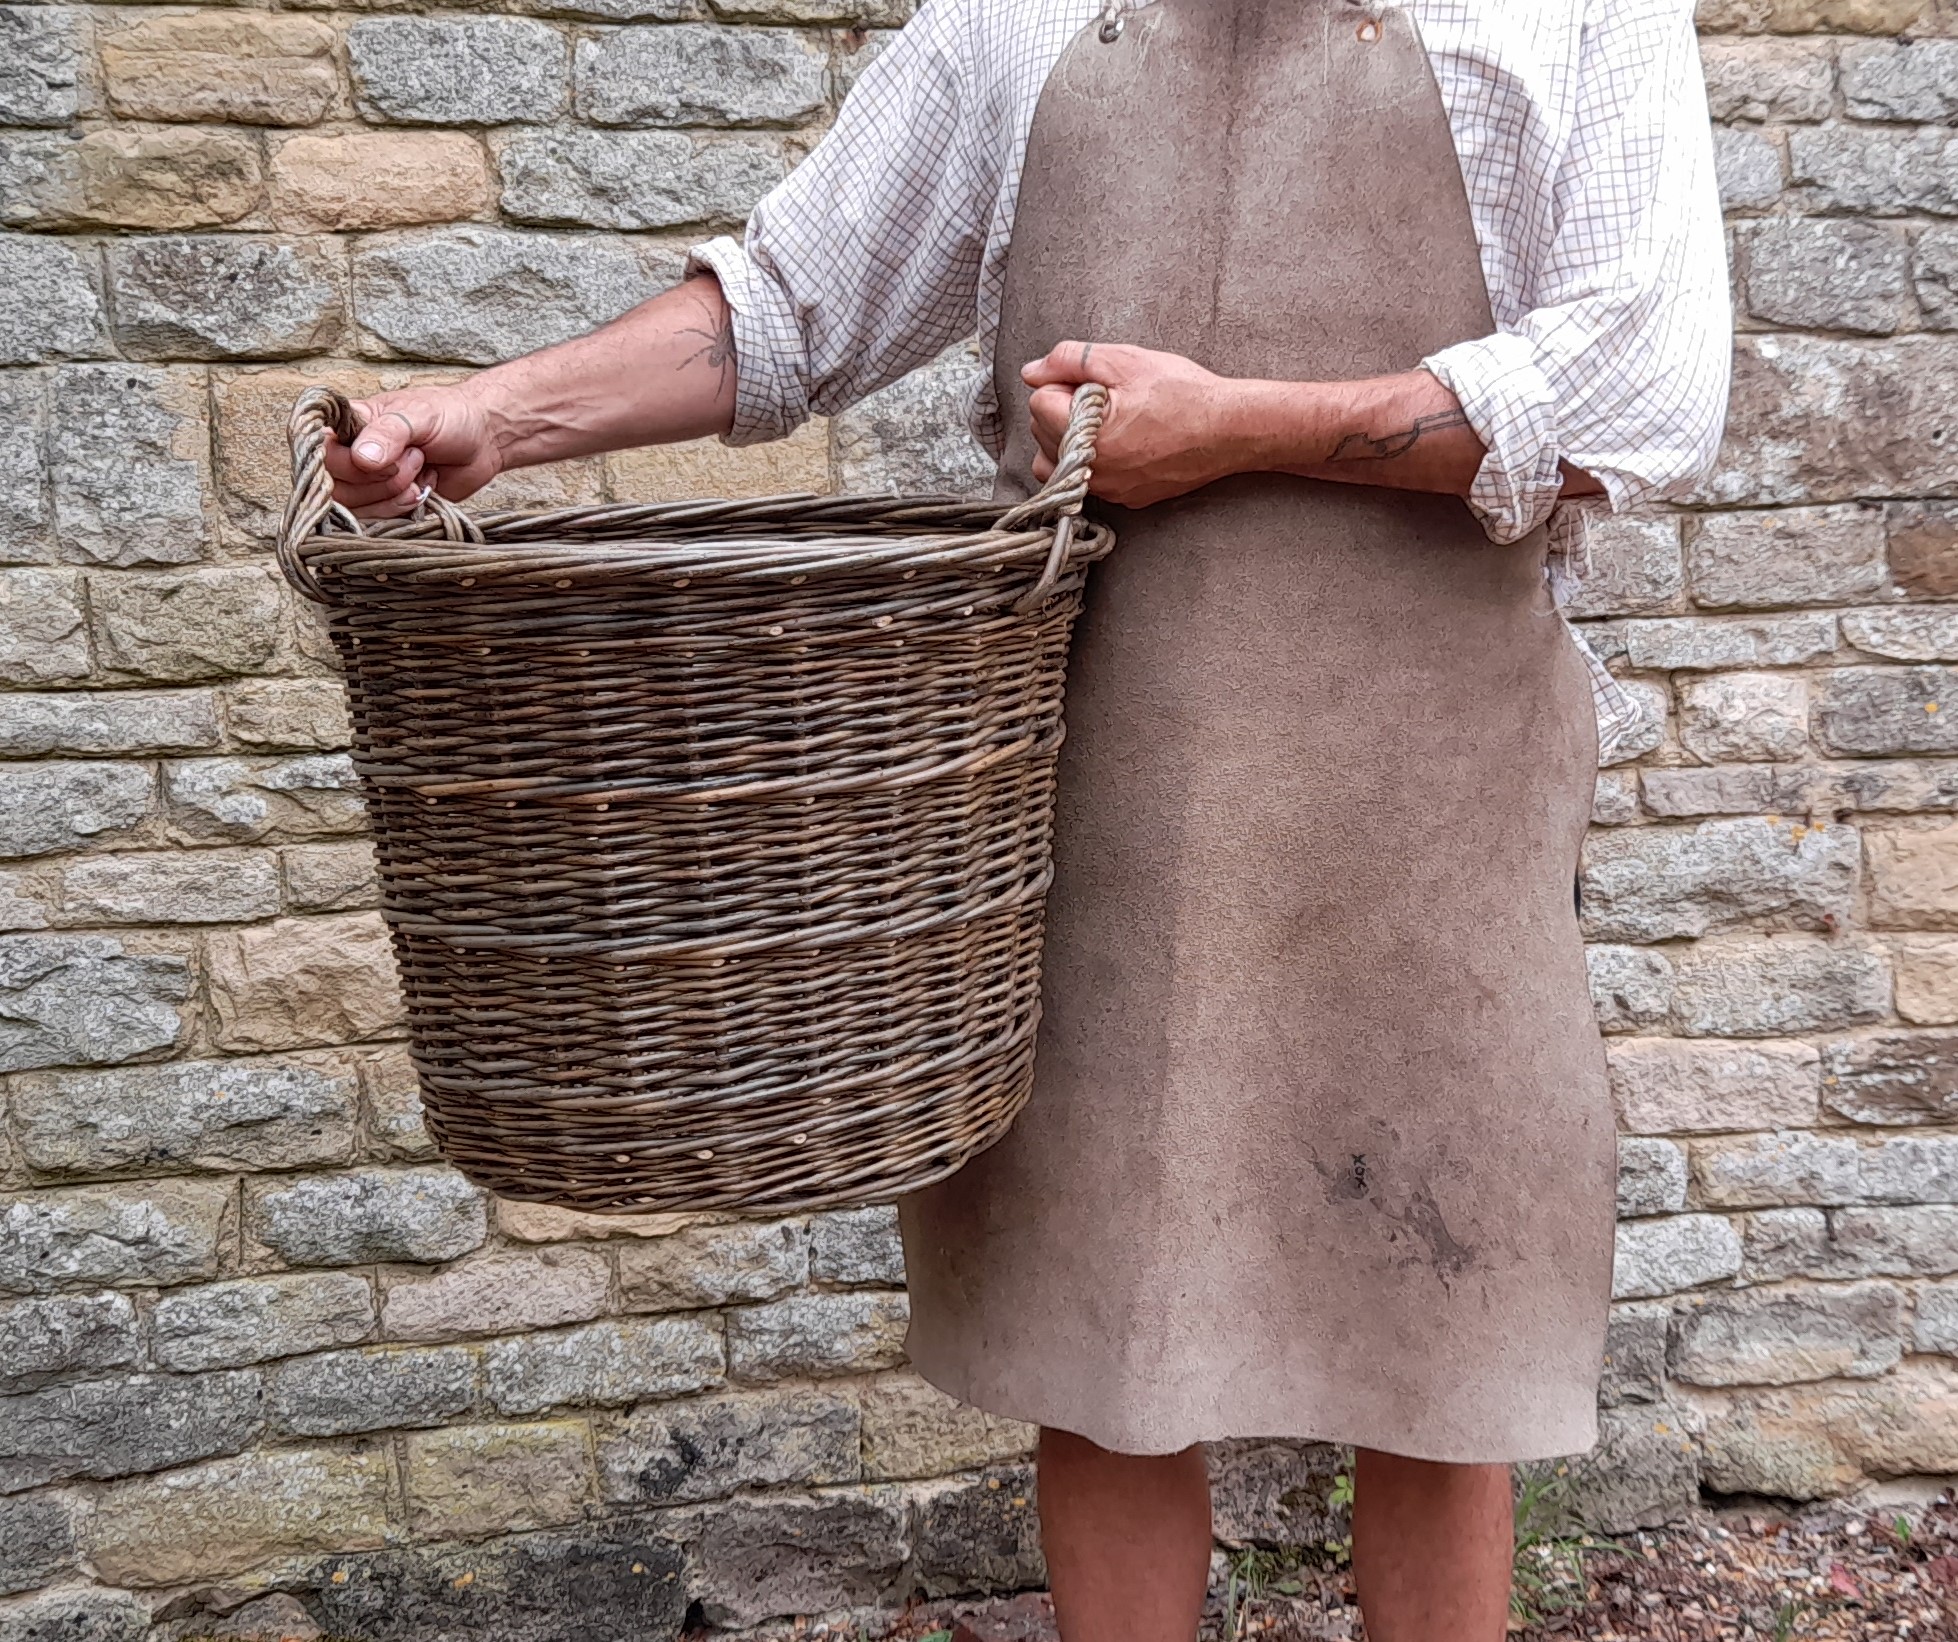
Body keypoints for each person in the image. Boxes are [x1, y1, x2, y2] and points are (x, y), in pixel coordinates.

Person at [324, 0, 1730, 1634]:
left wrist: (1236, 424)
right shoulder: (1018, 15)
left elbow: (1642, 379)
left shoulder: (1573, 16)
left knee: (1442, 1332)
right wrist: (497, 415)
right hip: (1086, 799)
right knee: (1100, 1333)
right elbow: (789, 299)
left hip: (1433, 803)